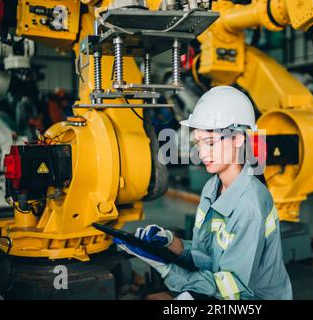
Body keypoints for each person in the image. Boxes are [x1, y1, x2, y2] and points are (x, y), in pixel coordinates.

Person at [114, 86, 292, 300]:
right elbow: (207, 256)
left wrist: (168, 269)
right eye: (198, 143)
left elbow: (235, 287)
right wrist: (170, 243)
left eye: (210, 143)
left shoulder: (250, 205)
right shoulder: (211, 187)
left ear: (238, 139)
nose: (202, 152)